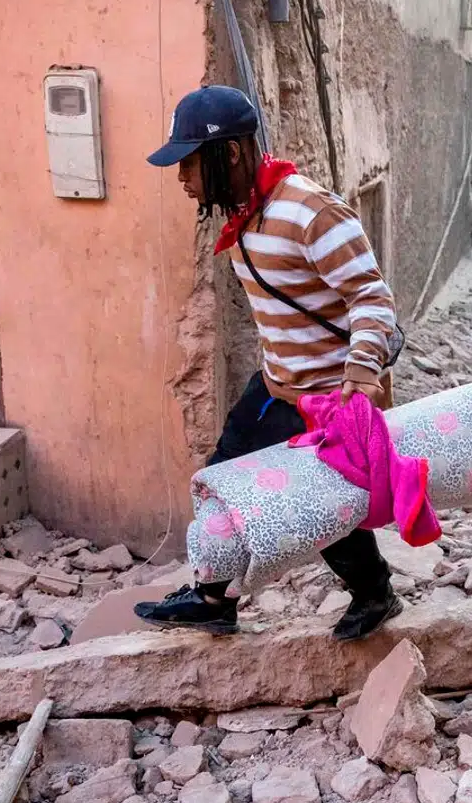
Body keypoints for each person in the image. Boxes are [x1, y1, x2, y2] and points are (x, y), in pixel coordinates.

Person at [136, 85, 402, 641]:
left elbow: (371, 298)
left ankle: (374, 594)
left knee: (323, 509)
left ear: (229, 153)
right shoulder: (246, 216)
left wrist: (361, 374)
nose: (182, 179)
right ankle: (213, 597)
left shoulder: (311, 212)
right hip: (275, 385)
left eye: (188, 163)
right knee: (220, 478)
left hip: (329, 397)